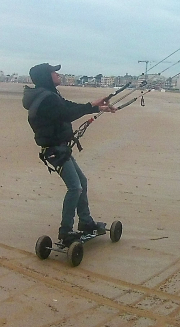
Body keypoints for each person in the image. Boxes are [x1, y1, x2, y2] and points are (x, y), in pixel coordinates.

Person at [22, 63, 116, 246]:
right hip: (54, 150)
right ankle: (65, 230)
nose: (58, 74)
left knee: (82, 182)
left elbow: (67, 106)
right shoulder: (47, 99)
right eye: (53, 72)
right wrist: (93, 107)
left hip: (60, 148)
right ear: (46, 76)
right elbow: (67, 113)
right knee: (75, 188)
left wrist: (95, 106)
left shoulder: (49, 95)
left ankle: (86, 222)